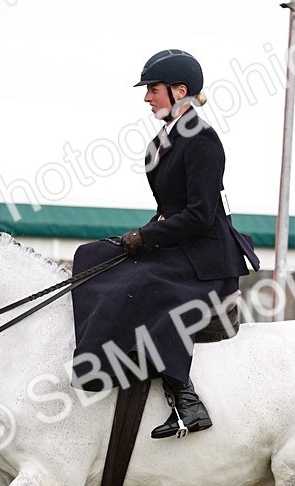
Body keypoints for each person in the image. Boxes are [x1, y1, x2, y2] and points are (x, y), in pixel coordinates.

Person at [71, 49, 260, 439]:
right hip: (180, 245)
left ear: (179, 90)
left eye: (153, 90)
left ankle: (185, 397)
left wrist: (147, 238)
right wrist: (140, 236)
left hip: (207, 257)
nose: (146, 98)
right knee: (92, 256)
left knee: (143, 287)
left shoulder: (203, 140)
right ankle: (103, 360)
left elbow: (200, 215)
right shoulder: (162, 140)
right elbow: (167, 210)